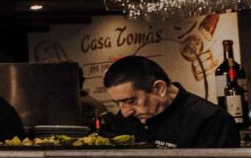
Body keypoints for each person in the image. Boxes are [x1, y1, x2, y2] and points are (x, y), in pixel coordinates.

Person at [100, 54, 241, 147]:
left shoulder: (211, 120)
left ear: (159, 88)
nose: (125, 113)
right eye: (118, 103)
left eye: (132, 101)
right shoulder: (125, 120)